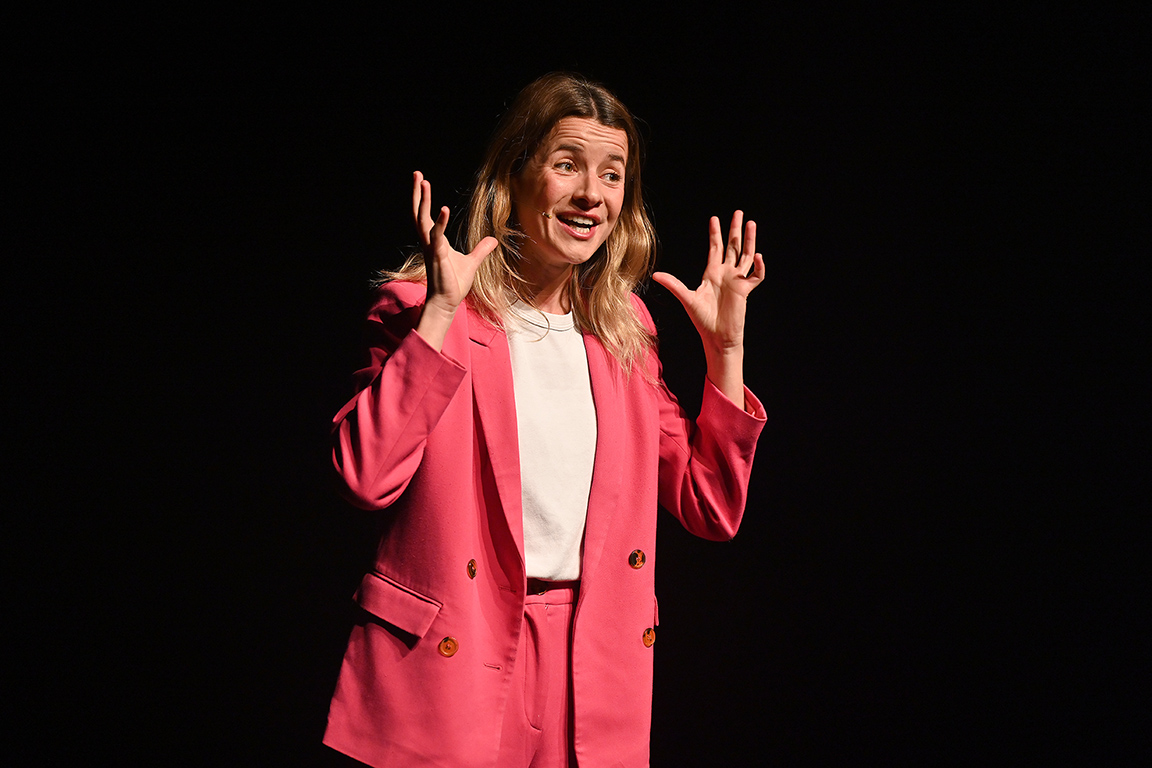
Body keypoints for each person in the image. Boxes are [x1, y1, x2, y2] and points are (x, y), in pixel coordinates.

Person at [323, 72, 767, 768]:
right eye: (567, 164)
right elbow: (365, 478)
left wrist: (726, 353)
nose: (592, 193)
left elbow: (710, 504)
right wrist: (439, 314)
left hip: (588, 663)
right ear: (515, 174)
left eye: (612, 174)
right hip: (454, 654)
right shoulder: (425, 309)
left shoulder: (624, 335)